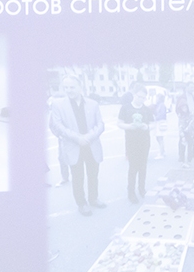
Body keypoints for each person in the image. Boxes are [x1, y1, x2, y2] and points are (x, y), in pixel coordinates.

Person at [48, 76, 106, 216]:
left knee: (93, 175)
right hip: (74, 146)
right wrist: (78, 138)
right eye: (66, 87)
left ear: (80, 87)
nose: (69, 90)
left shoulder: (93, 104)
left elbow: (100, 124)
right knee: (77, 177)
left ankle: (93, 198)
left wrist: (88, 137)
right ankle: (82, 204)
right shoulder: (58, 105)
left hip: (91, 145)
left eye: (72, 87)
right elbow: (58, 125)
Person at [117, 84, 153, 203]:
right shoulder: (125, 108)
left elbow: (153, 124)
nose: (141, 99)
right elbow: (119, 123)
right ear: (134, 95)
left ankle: (142, 188)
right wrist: (129, 126)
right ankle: (131, 192)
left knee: (143, 167)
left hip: (144, 141)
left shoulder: (147, 109)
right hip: (131, 142)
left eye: (143, 98)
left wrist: (147, 127)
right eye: (139, 96)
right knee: (133, 167)